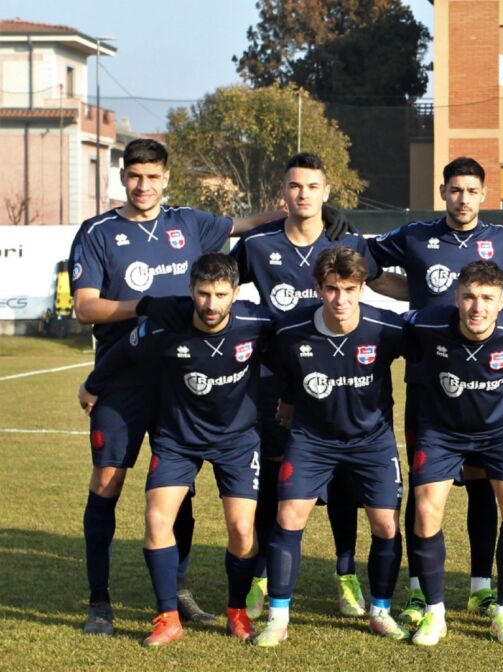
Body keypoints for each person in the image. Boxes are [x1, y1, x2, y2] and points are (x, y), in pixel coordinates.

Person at [68, 138, 285, 635]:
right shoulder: (99, 232)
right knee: (108, 482)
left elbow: (246, 224)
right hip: (124, 377)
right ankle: (99, 599)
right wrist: (145, 306)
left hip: (182, 380)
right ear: (123, 177)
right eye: (134, 176)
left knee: (178, 487)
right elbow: (84, 307)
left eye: (152, 177)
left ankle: (178, 591)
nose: (142, 186)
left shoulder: (188, 222)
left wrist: (304, 212)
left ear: (166, 178)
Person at [229, 152, 407, 620]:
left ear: (327, 192)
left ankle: (346, 573)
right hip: (277, 379)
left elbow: (381, 283)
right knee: (276, 482)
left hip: (341, 378)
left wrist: (443, 298)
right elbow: (221, 285)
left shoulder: (348, 240)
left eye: (312, 186)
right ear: (283, 192)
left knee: (347, 479)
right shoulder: (257, 244)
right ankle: (264, 575)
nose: (303, 194)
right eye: (295, 186)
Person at [367, 157, 503, 625]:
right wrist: (411, 290)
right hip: (428, 383)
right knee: (424, 491)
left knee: (483, 487)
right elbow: (370, 267)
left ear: (484, 195)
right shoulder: (415, 235)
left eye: (471, 190)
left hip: (484, 385)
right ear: (442, 192)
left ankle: (481, 587)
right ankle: (419, 591)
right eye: (455, 190)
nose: (463, 198)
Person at [78, 253, 274, 646]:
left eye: (221, 294)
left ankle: (237, 611)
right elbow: (123, 353)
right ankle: (167, 617)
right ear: (190, 290)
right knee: (156, 520)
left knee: (241, 528)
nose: (211, 304)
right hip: (178, 439)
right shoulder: (164, 325)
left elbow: (296, 345)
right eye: (203, 293)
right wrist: (92, 385)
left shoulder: (258, 323)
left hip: (237, 440)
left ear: (235, 293)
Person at [253, 248, 408, 647]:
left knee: (386, 524)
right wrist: (288, 400)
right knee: (289, 516)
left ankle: (381, 611)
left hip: (372, 441)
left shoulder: (386, 328)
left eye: (350, 289)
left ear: (362, 289)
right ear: (319, 288)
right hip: (312, 439)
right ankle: (278, 618)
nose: (341, 299)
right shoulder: (291, 331)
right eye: (332, 289)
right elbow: (285, 372)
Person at [404, 261, 503, 646]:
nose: (477, 307)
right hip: (442, 432)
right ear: (456, 298)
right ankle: (435, 613)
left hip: (501, 434)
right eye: (468, 297)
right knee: (426, 510)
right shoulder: (427, 323)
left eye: (487, 298)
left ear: (502, 301)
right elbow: (381, 330)